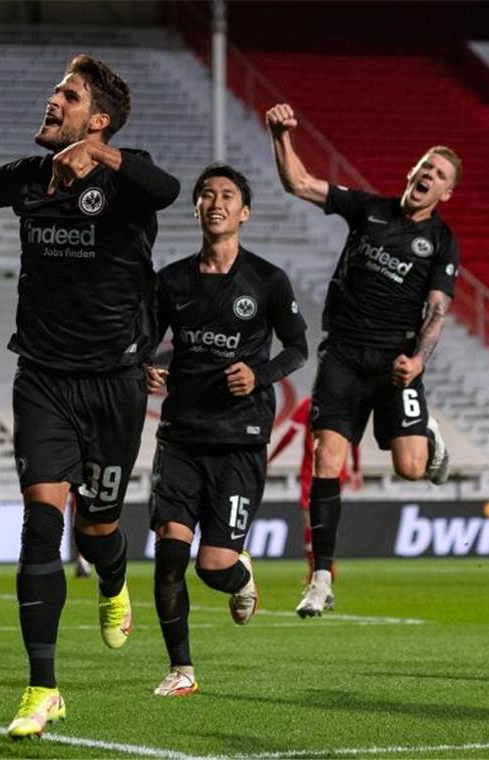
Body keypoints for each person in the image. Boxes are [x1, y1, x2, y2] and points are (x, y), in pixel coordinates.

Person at [0, 54, 180, 738]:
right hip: (42, 377)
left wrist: (100, 158)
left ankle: (112, 581)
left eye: (67, 94)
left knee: (98, 527)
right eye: (55, 91)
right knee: (42, 525)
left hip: (115, 383)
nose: (52, 100)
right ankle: (42, 688)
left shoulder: (127, 174)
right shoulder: (27, 177)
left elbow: (165, 188)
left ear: (97, 119)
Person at [265, 103, 458, 618]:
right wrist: (280, 135)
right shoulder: (366, 208)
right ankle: (321, 579)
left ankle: (428, 434)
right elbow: (299, 183)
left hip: (396, 361)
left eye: (439, 175)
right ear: (411, 173)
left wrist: (417, 361)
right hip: (344, 353)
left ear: (446, 193)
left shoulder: (440, 241)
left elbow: (437, 311)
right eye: (425, 167)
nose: (428, 176)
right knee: (326, 456)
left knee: (412, 468)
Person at [146, 164, 308, 696]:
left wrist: (258, 374)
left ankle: (239, 576)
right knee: (170, 554)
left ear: (245, 212)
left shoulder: (267, 280)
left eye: (228, 195)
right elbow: (142, 340)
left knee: (211, 569)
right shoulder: (169, 281)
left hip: (238, 440)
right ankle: (182, 669)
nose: (216, 202)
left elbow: (297, 348)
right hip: (181, 437)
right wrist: (142, 365)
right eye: (207, 194)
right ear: (195, 208)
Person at [268, 396, 360, 581]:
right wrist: (356, 468)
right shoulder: (340, 403)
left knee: (310, 521)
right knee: (324, 519)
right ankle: (325, 566)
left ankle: (317, 569)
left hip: (314, 471)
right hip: (335, 470)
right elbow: (352, 438)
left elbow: (290, 435)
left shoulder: (309, 403)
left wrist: (271, 458)